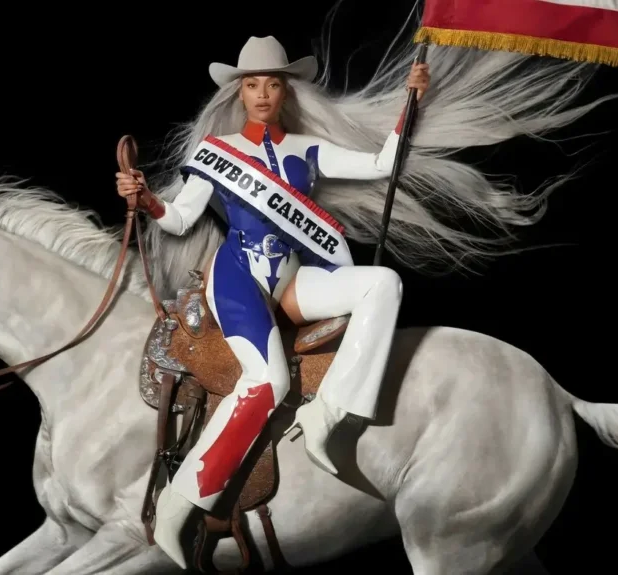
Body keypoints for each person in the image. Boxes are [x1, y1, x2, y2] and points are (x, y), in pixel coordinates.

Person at [116, 35, 429, 568]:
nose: (263, 93)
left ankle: (332, 416)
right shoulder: (218, 154)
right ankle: (180, 502)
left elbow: (382, 163)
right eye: (254, 85)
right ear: (241, 93)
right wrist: (145, 199)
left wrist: (411, 101)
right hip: (236, 276)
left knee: (383, 283)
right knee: (269, 382)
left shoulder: (306, 149)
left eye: (273, 84)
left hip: (290, 279)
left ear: (285, 91)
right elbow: (181, 218)